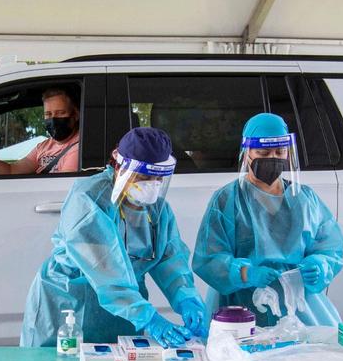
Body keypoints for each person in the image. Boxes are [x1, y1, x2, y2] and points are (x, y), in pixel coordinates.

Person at [21, 127, 207, 348]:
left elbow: (170, 258)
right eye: (144, 176)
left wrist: (186, 298)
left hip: (124, 311)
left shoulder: (157, 210)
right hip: (69, 304)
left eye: (159, 177)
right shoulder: (90, 199)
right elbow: (105, 269)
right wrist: (150, 319)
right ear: (119, 166)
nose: (152, 185)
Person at [193, 113, 343, 328]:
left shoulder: (304, 198)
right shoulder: (227, 200)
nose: (272, 157)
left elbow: (330, 246)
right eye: (263, 152)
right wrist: (245, 273)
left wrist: (319, 265)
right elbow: (208, 257)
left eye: (279, 151)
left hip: (299, 309)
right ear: (247, 153)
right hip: (240, 312)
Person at [0, 88, 80, 175]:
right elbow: (11, 171)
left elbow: (60, 190)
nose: (53, 119)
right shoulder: (44, 146)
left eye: (60, 113)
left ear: (75, 115)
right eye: (48, 114)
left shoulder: (79, 147)